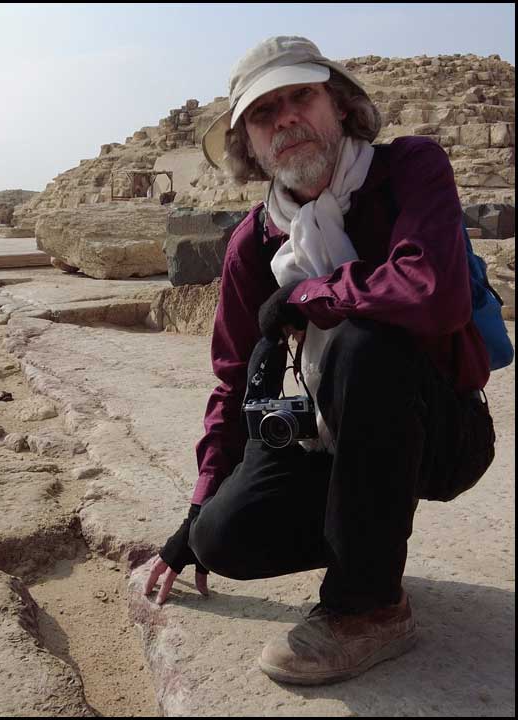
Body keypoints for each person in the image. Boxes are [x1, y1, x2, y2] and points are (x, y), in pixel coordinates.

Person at [139, 36, 495, 688]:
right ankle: (368, 526)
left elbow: (431, 294)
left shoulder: (410, 169)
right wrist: (194, 514)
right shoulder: (255, 242)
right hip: (321, 428)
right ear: (249, 142)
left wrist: (310, 295)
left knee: (368, 337)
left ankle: (370, 604)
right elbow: (231, 379)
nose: (286, 120)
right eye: (263, 113)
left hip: (442, 424)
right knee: (224, 539)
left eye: (300, 96)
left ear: (339, 104)